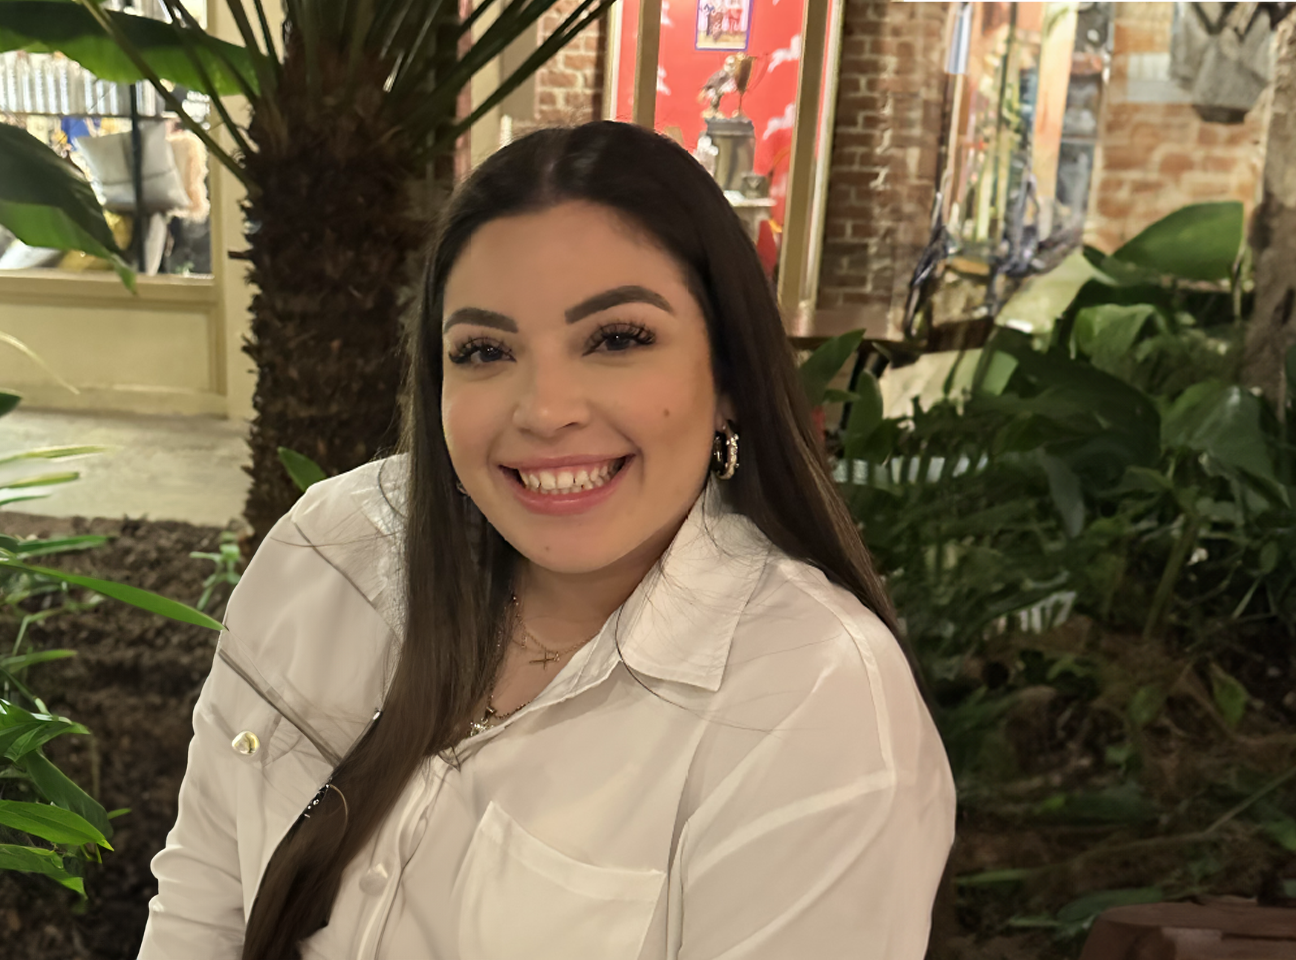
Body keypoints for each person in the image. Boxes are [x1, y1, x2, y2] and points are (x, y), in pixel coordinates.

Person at [138, 121, 955, 960]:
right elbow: (201, 905)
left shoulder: (810, 702)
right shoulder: (330, 553)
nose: (545, 409)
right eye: (485, 350)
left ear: (730, 382)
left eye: (617, 339)